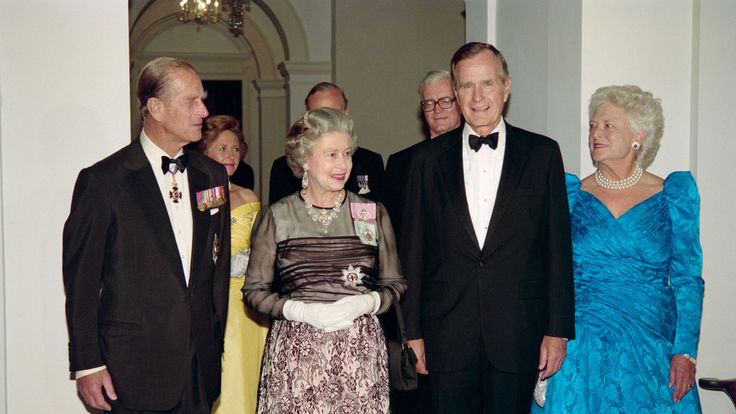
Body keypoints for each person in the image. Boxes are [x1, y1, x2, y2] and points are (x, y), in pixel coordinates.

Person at [399, 42, 575, 413]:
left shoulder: (542, 154)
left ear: (506, 87)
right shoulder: (425, 161)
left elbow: (557, 248)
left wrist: (557, 330)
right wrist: (411, 333)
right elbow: (413, 251)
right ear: (456, 91)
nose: (478, 97)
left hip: (518, 331)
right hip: (445, 333)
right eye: (466, 86)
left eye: (488, 84)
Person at [63, 57, 230, 413]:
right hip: (131, 367)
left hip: (199, 365)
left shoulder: (213, 175)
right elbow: (82, 282)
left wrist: (214, 342)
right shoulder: (104, 181)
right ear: (155, 107)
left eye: (202, 99)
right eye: (191, 101)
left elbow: (217, 269)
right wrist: (88, 363)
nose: (204, 110)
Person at [533, 85, 704, 413]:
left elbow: (687, 280)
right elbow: (550, 274)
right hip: (581, 349)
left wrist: (685, 351)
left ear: (639, 135)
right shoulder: (571, 195)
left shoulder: (673, 196)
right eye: (593, 125)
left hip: (652, 349)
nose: (596, 133)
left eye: (608, 125)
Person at [243, 108, 406, 413]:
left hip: (359, 355)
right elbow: (254, 291)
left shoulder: (372, 212)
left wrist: (366, 304)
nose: (343, 164)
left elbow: (395, 283)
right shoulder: (277, 215)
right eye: (331, 154)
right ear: (305, 159)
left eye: (347, 153)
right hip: (297, 354)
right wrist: (297, 309)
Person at [196, 115, 268, 414]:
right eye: (222, 148)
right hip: (215, 301)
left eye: (236, 149)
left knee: (250, 378)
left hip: (248, 305)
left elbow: (262, 247)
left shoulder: (248, 195)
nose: (230, 155)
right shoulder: (196, 194)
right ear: (204, 151)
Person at [268, 82, 385, 204]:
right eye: (319, 115)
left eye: (333, 114)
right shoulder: (283, 168)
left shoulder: (370, 162)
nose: (327, 121)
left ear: (346, 113)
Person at [384, 69, 462, 234]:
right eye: (429, 103)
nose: (437, 110)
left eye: (445, 100)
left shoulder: (478, 155)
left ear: (460, 103)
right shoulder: (400, 163)